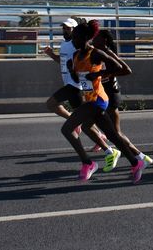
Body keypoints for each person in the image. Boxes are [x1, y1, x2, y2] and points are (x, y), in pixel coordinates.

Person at [59, 21, 146, 183]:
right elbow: (78, 79)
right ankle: (136, 162)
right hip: (89, 100)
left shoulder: (96, 53)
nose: (73, 40)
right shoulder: (77, 56)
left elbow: (119, 67)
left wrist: (99, 74)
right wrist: (72, 71)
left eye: (76, 37)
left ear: (85, 38)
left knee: (67, 128)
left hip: (98, 100)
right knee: (112, 135)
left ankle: (88, 163)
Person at [43, 18, 109, 152]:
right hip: (69, 83)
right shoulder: (64, 44)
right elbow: (61, 61)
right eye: (63, 28)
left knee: (51, 103)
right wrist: (51, 55)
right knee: (85, 119)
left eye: (68, 28)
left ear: (75, 31)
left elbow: (87, 59)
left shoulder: (76, 45)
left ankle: (106, 147)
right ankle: (101, 138)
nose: (65, 30)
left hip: (76, 85)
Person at [92, 29, 153, 166]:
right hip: (105, 95)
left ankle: (141, 157)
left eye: (96, 38)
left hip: (111, 96)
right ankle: (140, 157)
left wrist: (105, 73)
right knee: (112, 132)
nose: (93, 40)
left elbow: (127, 70)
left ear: (104, 41)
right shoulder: (99, 53)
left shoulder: (108, 53)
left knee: (116, 133)